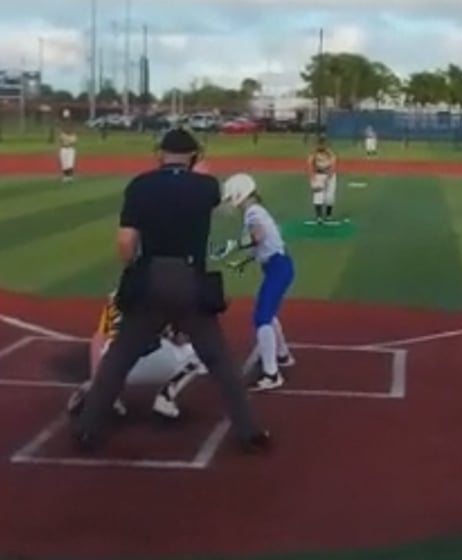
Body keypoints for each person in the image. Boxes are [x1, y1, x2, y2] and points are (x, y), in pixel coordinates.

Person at [71, 128, 269, 452]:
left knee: (119, 358)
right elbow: (210, 199)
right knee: (220, 361)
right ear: (193, 156)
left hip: (150, 277)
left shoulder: (140, 185)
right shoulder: (206, 186)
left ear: (160, 154)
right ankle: (250, 432)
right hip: (191, 280)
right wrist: (198, 173)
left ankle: (88, 428)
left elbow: (125, 245)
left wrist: (137, 270)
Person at [66, 286, 209, 421]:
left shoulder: (116, 295)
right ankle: (165, 397)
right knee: (199, 352)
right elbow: (179, 338)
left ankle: (105, 393)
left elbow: (98, 338)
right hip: (144, 364)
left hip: (112, 367)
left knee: (115, 344)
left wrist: (97, 379)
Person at [213, 172, 296, 391]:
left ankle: (272, 374)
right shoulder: (257, 211)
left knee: (262, 318)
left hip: (278, 267)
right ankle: (282, 355)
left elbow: (258, 236)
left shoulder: (253, 213)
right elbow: (264, 243)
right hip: (279, 266)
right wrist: (243, 261)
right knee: (268, 312)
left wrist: (233, 246)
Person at [308, 136, 338, 224]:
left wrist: (328, 176)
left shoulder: (330, 153)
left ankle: (328, 215)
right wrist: (312, 177)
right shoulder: (314, 153)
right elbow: (310, 164)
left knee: (330, 197)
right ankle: (319, 216)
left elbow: (333, 166)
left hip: (330, 176)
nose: (321, 146)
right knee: (318, 196)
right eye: (320, 144)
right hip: (318, 175)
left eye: (323, 144)